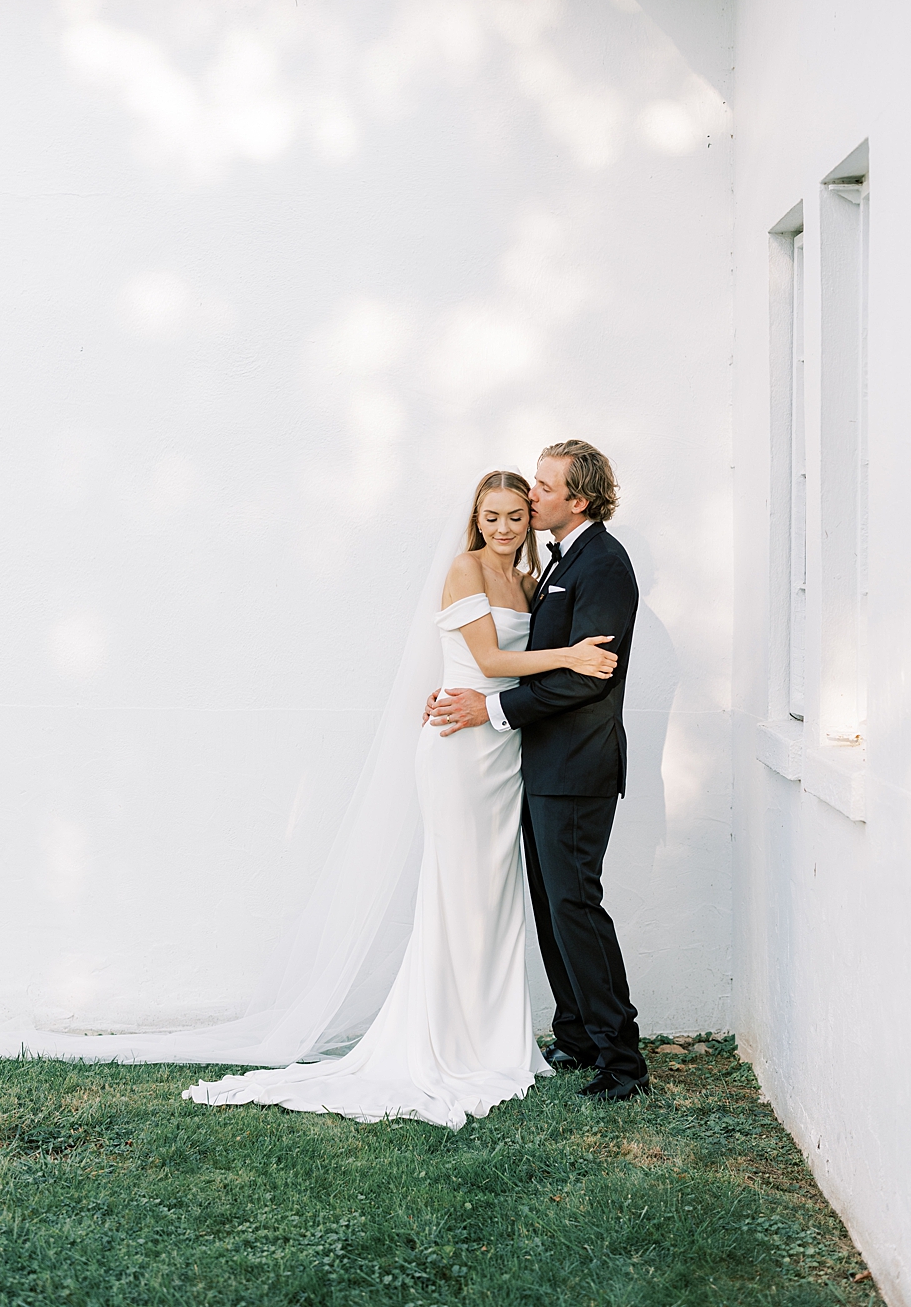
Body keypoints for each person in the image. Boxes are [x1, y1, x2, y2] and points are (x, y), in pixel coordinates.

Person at [184, 470, 616, 1128]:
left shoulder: (529, 584)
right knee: (454, 891)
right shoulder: (465, 569)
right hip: (457, 751)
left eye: (515, 517)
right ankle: (441, 1040)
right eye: (492, 516)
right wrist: (572, 656)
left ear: (531, 520)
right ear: (477, 519)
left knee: (495, 900)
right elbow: (491, 663)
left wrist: (566, 662)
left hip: (503, 754)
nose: (504, 528)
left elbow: (515, 673)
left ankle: (494, 1040)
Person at [428, 440, 648, 1102]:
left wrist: (489, 709)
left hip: (577, 768)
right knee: (555, 908)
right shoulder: (556, 563)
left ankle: (622, 1063)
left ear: (576, 500)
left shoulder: (603, 565)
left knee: (575, 908)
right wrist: (455, 687)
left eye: (543, 489)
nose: (531, 499)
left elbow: (586, 680)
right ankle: (577, 1037)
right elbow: (531, 655)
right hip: (537, 764)